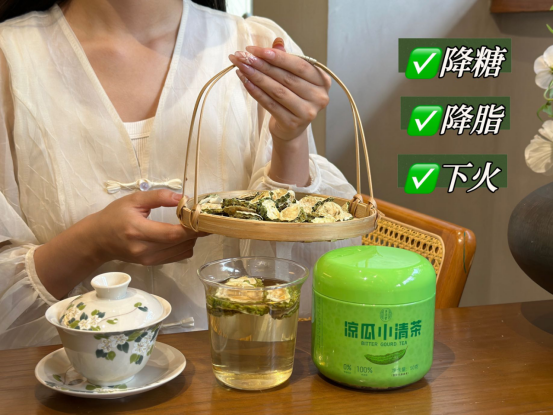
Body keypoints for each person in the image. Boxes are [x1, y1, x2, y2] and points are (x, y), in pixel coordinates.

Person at [0, 0, 357, 349]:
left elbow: (294, 278)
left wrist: (290, 140)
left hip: (234, 368)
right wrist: (90, 243)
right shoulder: (9, 58)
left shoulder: (257, 46)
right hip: (61, 380)